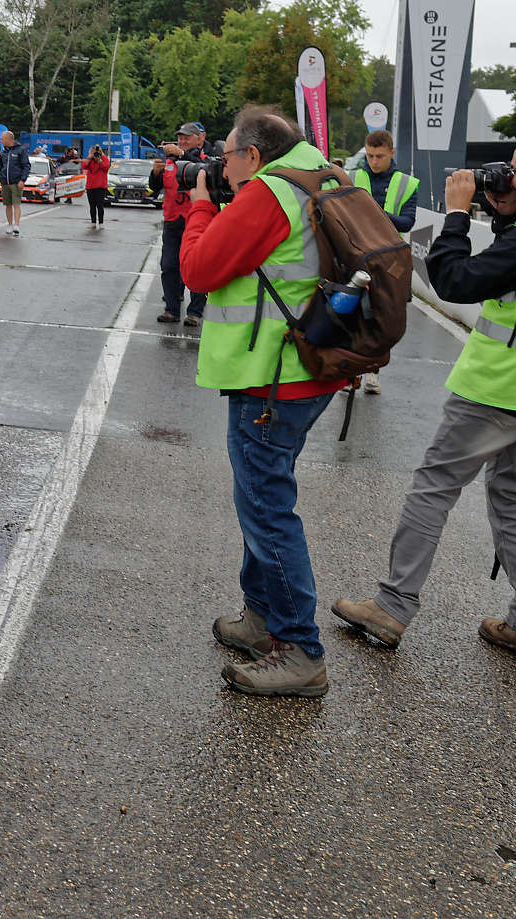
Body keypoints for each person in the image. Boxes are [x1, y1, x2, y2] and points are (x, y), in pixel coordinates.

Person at [333, 133, 516, 669]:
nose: (507, 177)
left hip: (499, 388)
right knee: (513, 497)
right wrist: (510, 213)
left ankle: (391, 608)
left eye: (514, 169)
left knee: (433, 486)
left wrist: (459, 214)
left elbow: (452, 280)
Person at [179, 106, 345, 698]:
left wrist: (200, 206)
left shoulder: (269, 193)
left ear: (253, 155)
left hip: (271, 378)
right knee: (261, 494)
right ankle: (259, 619)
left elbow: (197, 269)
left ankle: (301, 648)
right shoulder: (324, 177)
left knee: (267, 508)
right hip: (311, 367)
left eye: (224, 156)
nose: (220, 167)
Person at [350, 129, 420, 394]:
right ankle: (353, 370)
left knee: (382, 317)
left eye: (380, 156)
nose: (374, 161)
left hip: (390, 257)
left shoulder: (407, 183)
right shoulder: (353, 176)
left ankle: (373, 372)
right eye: (369, 155)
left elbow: (408, 221)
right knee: (353, 314)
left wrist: (374, 212)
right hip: (356, 253)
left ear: (392, 153)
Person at [152, 121, 216, 326]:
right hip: (173, 221)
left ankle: (195, 311)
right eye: (180, 137)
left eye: (187, 137)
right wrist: (155, 173)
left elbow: (203, 169)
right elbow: (154, 188)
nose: (182, 140)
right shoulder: (169, 162)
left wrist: (182, 154)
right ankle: (171, 309)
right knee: (169, 266)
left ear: (199, 139)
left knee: (198, 264)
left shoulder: (205, 159)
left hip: (196, 220)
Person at [0, 130, 32, 237]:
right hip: (5, 182)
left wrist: (22, 179)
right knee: (7, 204)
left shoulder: (21, 150)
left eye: (2, 139)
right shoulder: (4, 152)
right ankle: (10, 225)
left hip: (16, 182)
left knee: (16, 203)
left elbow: (26, 166)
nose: (1, 141)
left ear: (9, 139)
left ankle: (17, 225)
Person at [84, 144, 111, 226]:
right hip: (90, 186)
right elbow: (84, 166)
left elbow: (106, 167)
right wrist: (89, 158)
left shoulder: (104, 158)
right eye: (93, 152)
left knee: (100, 205)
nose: (95, 154)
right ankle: (93, 222)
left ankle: (101, 222)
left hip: (100, 186)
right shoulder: (90, 160)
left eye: (97, 152)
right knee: (92, 205)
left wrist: (99, 160)